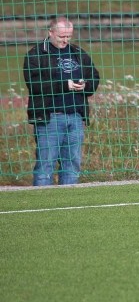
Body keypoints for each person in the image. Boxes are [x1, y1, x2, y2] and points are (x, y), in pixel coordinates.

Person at [23, 17, 101, 186]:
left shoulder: (78, 53)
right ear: (50, 32)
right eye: (61, 36)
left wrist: (86, 86)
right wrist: (65, 85)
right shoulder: (35, 55)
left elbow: (94, 77)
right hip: (49, 117)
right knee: (46, 164)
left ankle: (69, 203)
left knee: (72, 164)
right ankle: (42, 205)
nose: (65, 40)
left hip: (75, 117)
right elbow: (34, 85)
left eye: (68, 36)